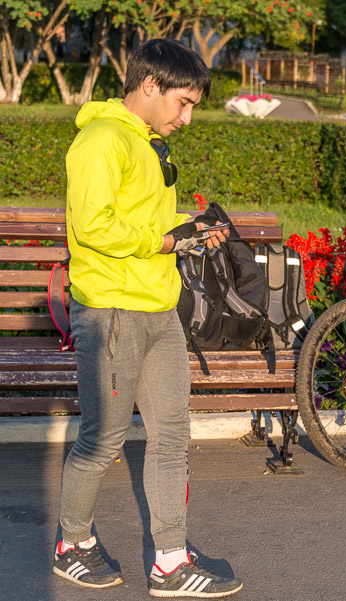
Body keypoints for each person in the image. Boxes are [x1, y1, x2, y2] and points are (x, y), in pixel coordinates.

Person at [54, 39, 243, 598]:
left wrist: (187, 230)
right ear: (149, 86)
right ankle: (72, 543)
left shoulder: (147, 142)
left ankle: (171, 561)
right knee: (103, 439)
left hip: (158, 309)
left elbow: (140, 220)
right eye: (183, 102)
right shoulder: (101, 139)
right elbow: (93, 227)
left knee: (170, 437)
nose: (187, 117)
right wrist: (163, 241)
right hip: (111, 310)